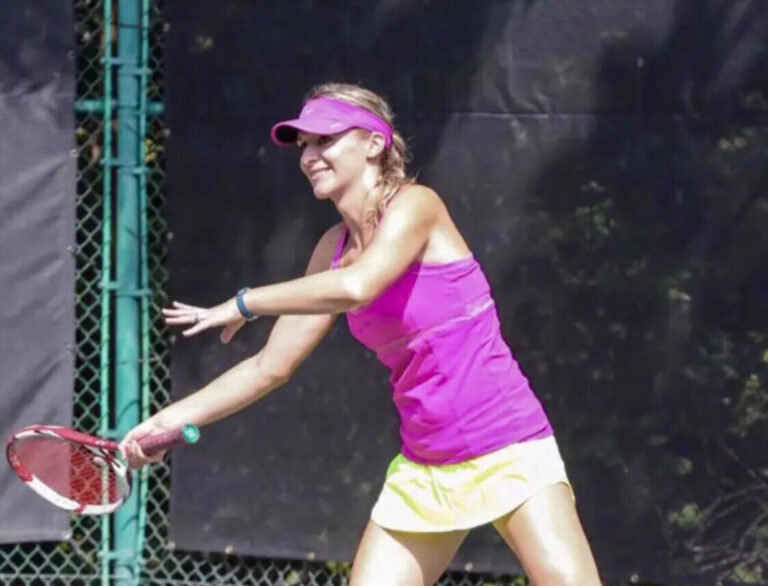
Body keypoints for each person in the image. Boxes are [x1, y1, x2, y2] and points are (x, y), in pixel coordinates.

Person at [120, 82, 601, 586]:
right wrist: (166, 420)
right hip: (426, 466)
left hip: (508, 445)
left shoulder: (418, 206)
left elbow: (358, 286)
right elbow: (270, 366)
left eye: (324, 140)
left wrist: (244, 302)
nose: (310, 156)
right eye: (303, 145)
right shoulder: (332, 246)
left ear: (375, 144)